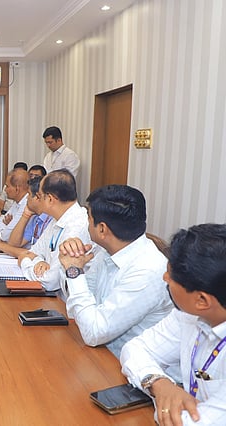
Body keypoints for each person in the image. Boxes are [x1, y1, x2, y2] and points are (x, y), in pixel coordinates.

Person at [121, 224, 226, 425]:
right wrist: (160, 384)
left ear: (202, 300)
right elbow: (135, 349)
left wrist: (166, 405)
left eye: (171, 276)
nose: (164, 278)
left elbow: (185, 422)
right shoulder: (189, 314)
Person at [58, 185, 172, 358]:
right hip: (101, 356)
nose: (86, 223)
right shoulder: (110, 251)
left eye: (88, 217)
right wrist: (73, 265)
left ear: (102, 229)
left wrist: (74, 271)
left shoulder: (147, 270)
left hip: (129, 367)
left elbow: (94, 333)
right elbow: (78, 311)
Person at [17, 169, 90, 291]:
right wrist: (39, 262)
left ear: (50, 199)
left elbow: (50, 282)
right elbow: (33, 252)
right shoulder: (57, 219)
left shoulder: (76, 227)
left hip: (64, 299)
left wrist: (24, 261)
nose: (38, 200)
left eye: (40, 196)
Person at [0, 175, 52, 251]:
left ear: (37, 197)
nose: (26, 198)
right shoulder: (35, 217)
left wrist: (0, 246)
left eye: (29, 194)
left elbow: (35, 254)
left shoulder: (50, 221)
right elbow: (13, 243)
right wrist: (25, 215)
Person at [0, 169, 29, 242]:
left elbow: (5, 236)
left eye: (7, 186)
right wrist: (8, 227)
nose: (5, 190)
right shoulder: (16, 202)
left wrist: (7, 227)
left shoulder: (27, 204)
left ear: (17, 189)